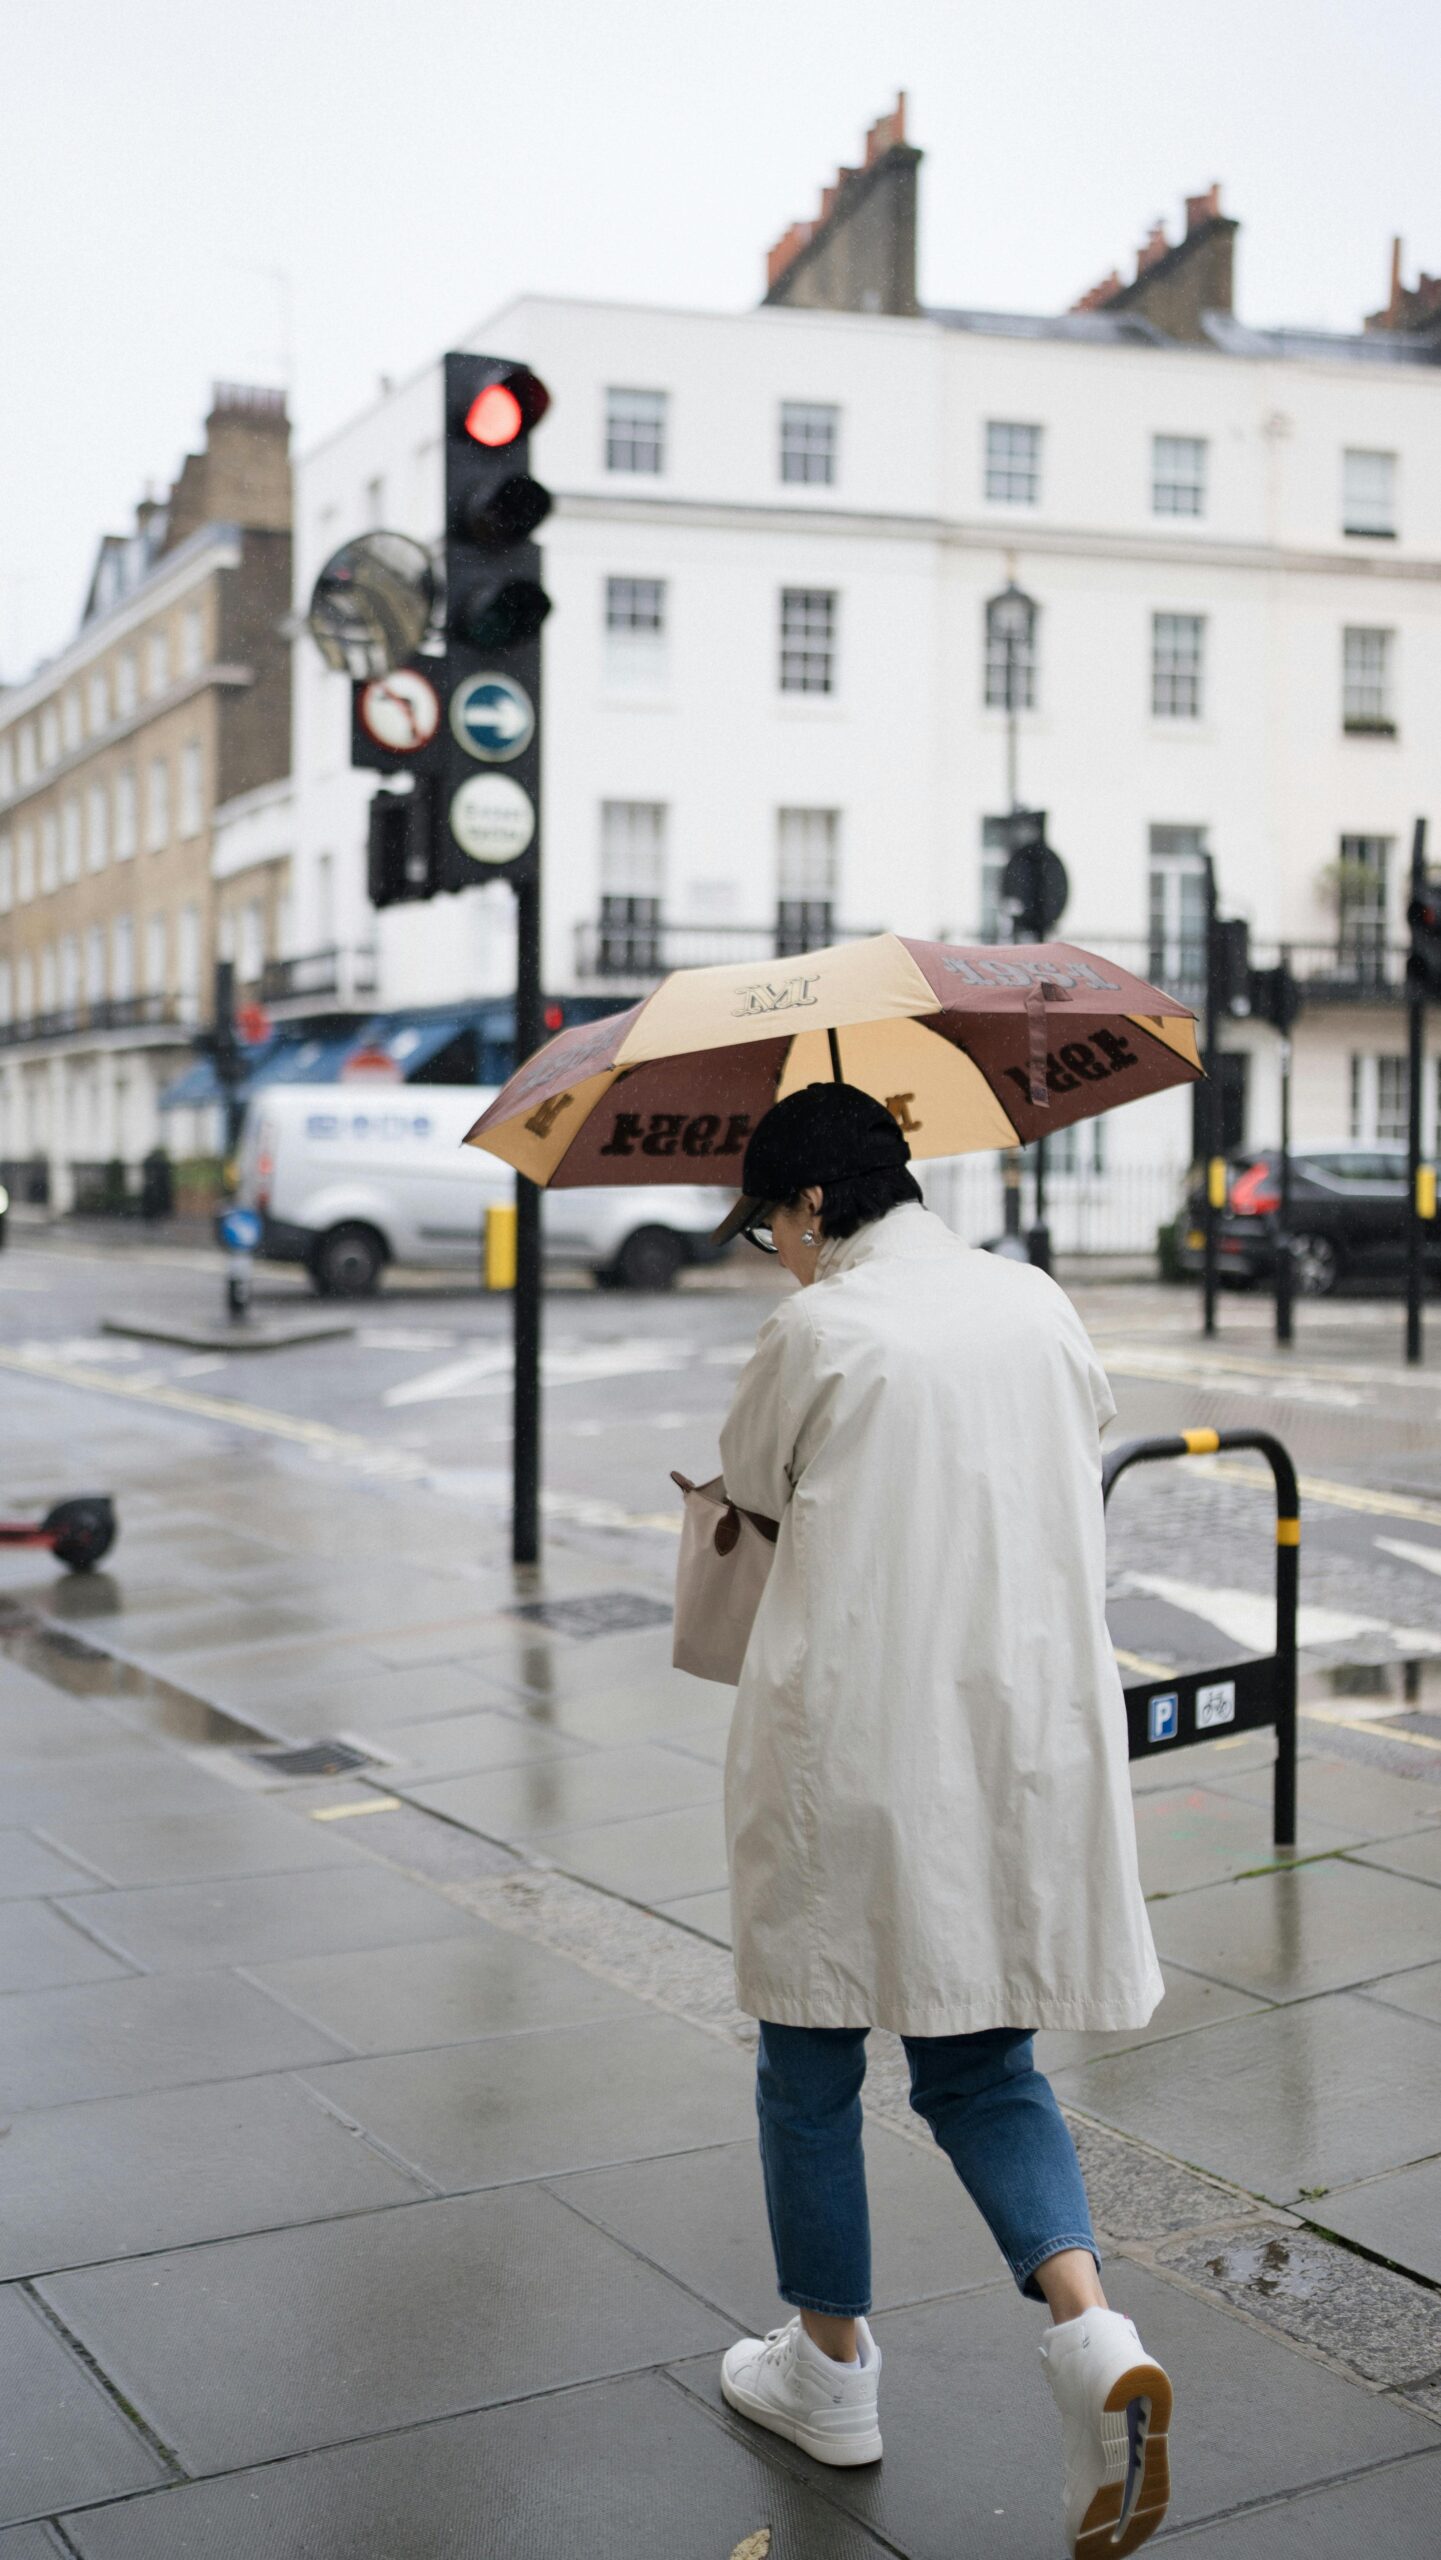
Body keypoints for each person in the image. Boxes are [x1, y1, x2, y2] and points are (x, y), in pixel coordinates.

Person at [707, 1081, 1173, 2559]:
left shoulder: (820, 1329)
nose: (771, 1253)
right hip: (1008, 1735)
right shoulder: (1033, 1303)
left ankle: (831, 2370)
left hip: (848, 1738)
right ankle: (1091, 2333)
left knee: (809, 2057)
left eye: (767, 1226)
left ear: (809, 1206)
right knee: (981, 2062)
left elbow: (747, 1487)